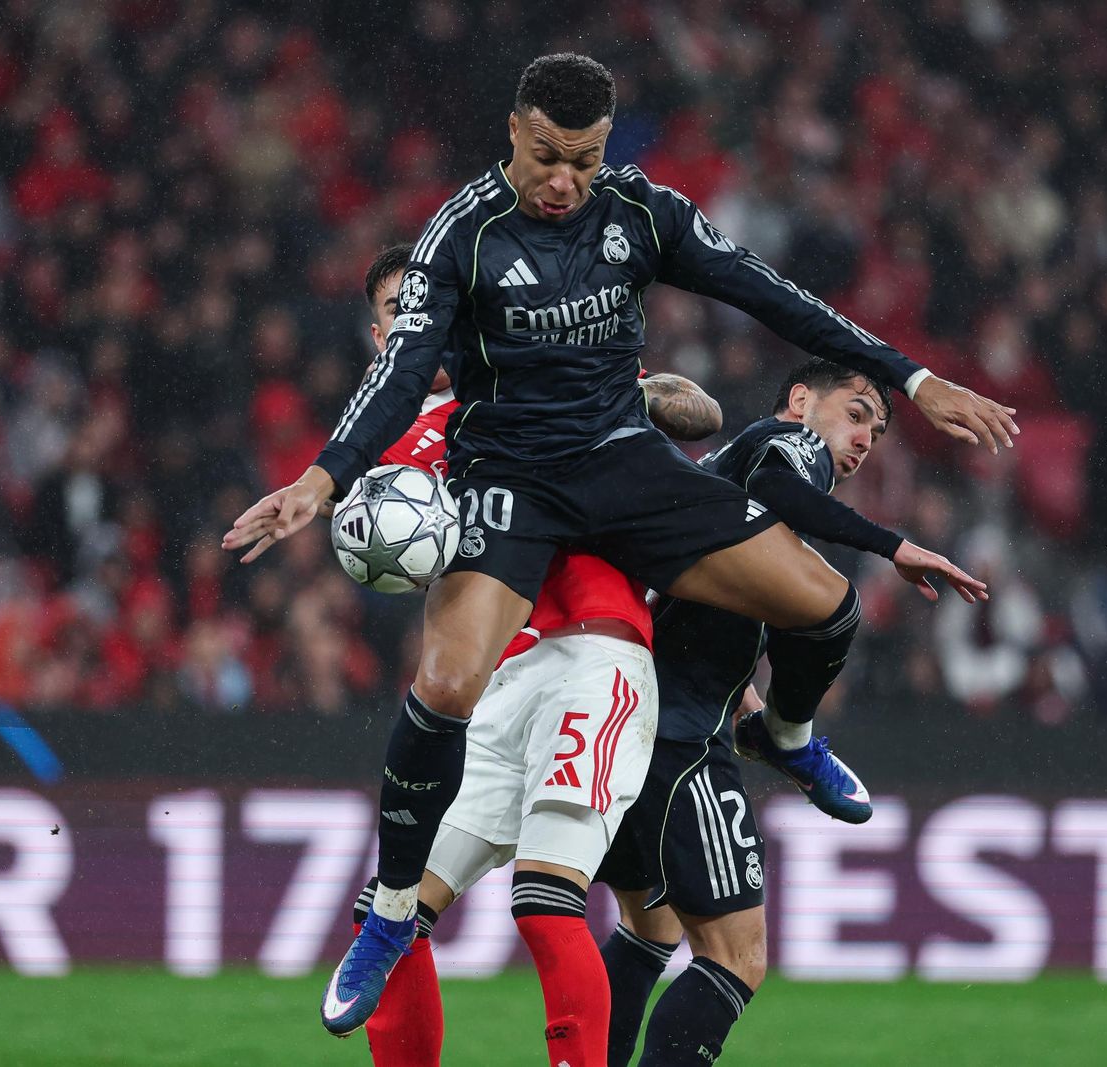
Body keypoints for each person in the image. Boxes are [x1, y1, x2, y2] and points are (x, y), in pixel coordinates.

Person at [224, 53, 1012, 1034]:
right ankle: (389, 912)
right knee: (447, 683)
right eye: (548, 157)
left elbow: (772, 295)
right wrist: (321, 478)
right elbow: (402, 369)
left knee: (826, 605)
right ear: (514, 133)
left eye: (585, 160)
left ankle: (783, 734)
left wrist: (915, 378)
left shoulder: (638, 212)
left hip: (623, 465)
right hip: (512, 477)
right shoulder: (461, 237)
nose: (565, 181)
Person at [333, 244, 718, 1067]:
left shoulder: (544, 380)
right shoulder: (390, 454)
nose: (422, 321)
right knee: (387, 912)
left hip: (595, 657)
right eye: (402, 311)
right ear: (381, 338)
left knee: (544, 900)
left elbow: (702, 415)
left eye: (433, 304)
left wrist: (633, 393)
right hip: (494, 689)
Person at [598, 358, 975, 1065]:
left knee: (651, 927)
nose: (863, 440)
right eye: (855, 415)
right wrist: (892, 546)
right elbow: (780, 485)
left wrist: (741, 698)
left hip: (620, 717)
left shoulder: (726, 477)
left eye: (877, 433)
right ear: (800, 400)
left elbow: (694, 626)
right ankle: (786, 736)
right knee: (736, 958)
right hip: (677, 741)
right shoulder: (787, 445)